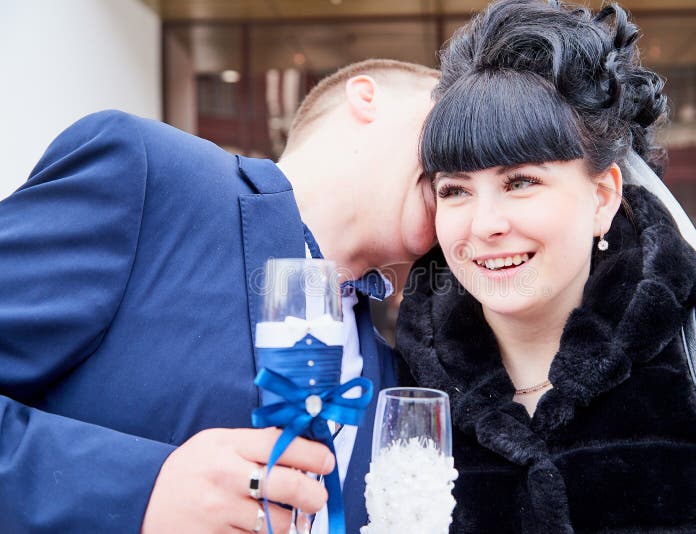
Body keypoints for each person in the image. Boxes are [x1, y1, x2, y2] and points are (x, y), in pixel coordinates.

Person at [396, 1, 696, 532]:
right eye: (455, 191)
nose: (484, 224)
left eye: (520, 182)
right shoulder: (400, 381)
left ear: (604, 194)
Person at [0, 58, 438, 533]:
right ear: (366, 95)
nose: (463, 154)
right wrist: (140, 491)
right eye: (449, 120)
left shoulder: (398, 378)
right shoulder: (149, 176)